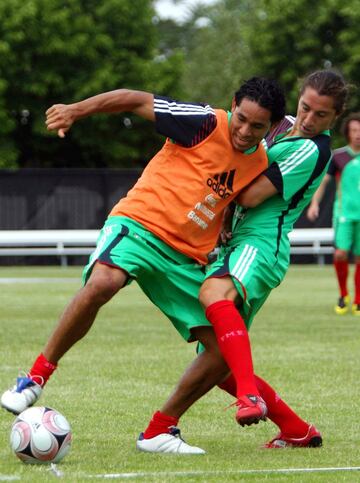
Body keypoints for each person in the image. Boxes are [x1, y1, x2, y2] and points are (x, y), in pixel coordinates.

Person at [1, 79, 286, 453]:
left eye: (258, 126)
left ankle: (159, 431)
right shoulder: (203, 121)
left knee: (222, 353)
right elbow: (134, 99)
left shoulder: (262, 163)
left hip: (184, 258)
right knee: (104, 282)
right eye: (242, 119)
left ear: (272, 126)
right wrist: (76, 109)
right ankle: (35, 378)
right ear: (233, 105)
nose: (245, 131)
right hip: (139, 226)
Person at [137, 70, 348, 453]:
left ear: (335, 119)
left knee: (213, 292)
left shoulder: (312, 149)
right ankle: (295, 429)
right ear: (298, 100)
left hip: (260, 245)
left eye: (321, 115)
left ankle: (249, 397)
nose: (309, 119)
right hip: (241, 245)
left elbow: (249, 196)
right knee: (217, 360)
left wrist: (210, 180)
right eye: (305, 108)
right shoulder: (279, 128)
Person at [307, 113, 360, 314]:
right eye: (354, 130)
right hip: (344, 214)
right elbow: (325, 181)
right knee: (340, 254)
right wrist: (314, 204)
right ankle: (343, 294)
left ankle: (358, 299)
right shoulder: (338, 156)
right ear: (347, 132)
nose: (358, 134)